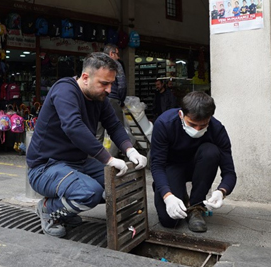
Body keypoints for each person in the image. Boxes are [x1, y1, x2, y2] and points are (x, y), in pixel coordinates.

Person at [27, 52, 148, 238]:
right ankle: (48, 210)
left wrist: (130, 150)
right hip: (45, 167)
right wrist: (108, 159)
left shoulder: (99, 99)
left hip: (77, 163)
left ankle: (65, 210)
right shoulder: (65, 91)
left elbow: (114, 125)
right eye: (104, 83)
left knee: (121, 184)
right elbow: (73, 127)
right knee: (90, 193)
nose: (109, 89)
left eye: (111, 84)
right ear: (85, 77)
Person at [150, 91, 237, 233]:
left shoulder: (217, 129)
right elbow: (157, 165)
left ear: (210, 118)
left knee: (211, 151)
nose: (197, 130)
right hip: (172, 166)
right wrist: (168, 196)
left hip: (199, 167)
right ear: (181, 115)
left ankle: (196, 206)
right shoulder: (164, 124)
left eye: (203, 125)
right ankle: (170, 190)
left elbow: (230, 173)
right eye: (192, 124)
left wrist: (222, 191)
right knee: (169, 221)